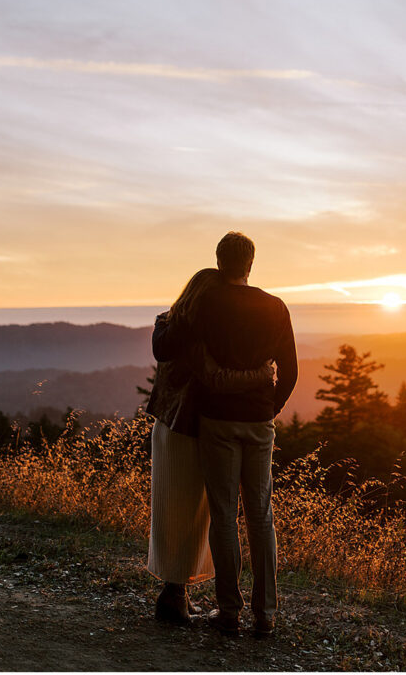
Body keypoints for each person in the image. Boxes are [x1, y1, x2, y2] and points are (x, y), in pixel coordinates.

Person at [145, 267, 274, 624]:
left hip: (167, 425)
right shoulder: (198, 332)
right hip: (188, 428)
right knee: (190, 514)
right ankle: (174, 597)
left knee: (174, 511)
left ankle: (175, 595)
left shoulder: (168, 322)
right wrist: (263, 376)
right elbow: (215, 378)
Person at [192, 232, 298, 638]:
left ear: (220, 262)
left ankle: (229, 611)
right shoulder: (274, 306)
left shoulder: (207, 304)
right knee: (260, 515)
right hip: (258, 422)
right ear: (251, 263)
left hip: (217, 420)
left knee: (223, 515)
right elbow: (289, 371)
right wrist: (267, 411)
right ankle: (266, 613)